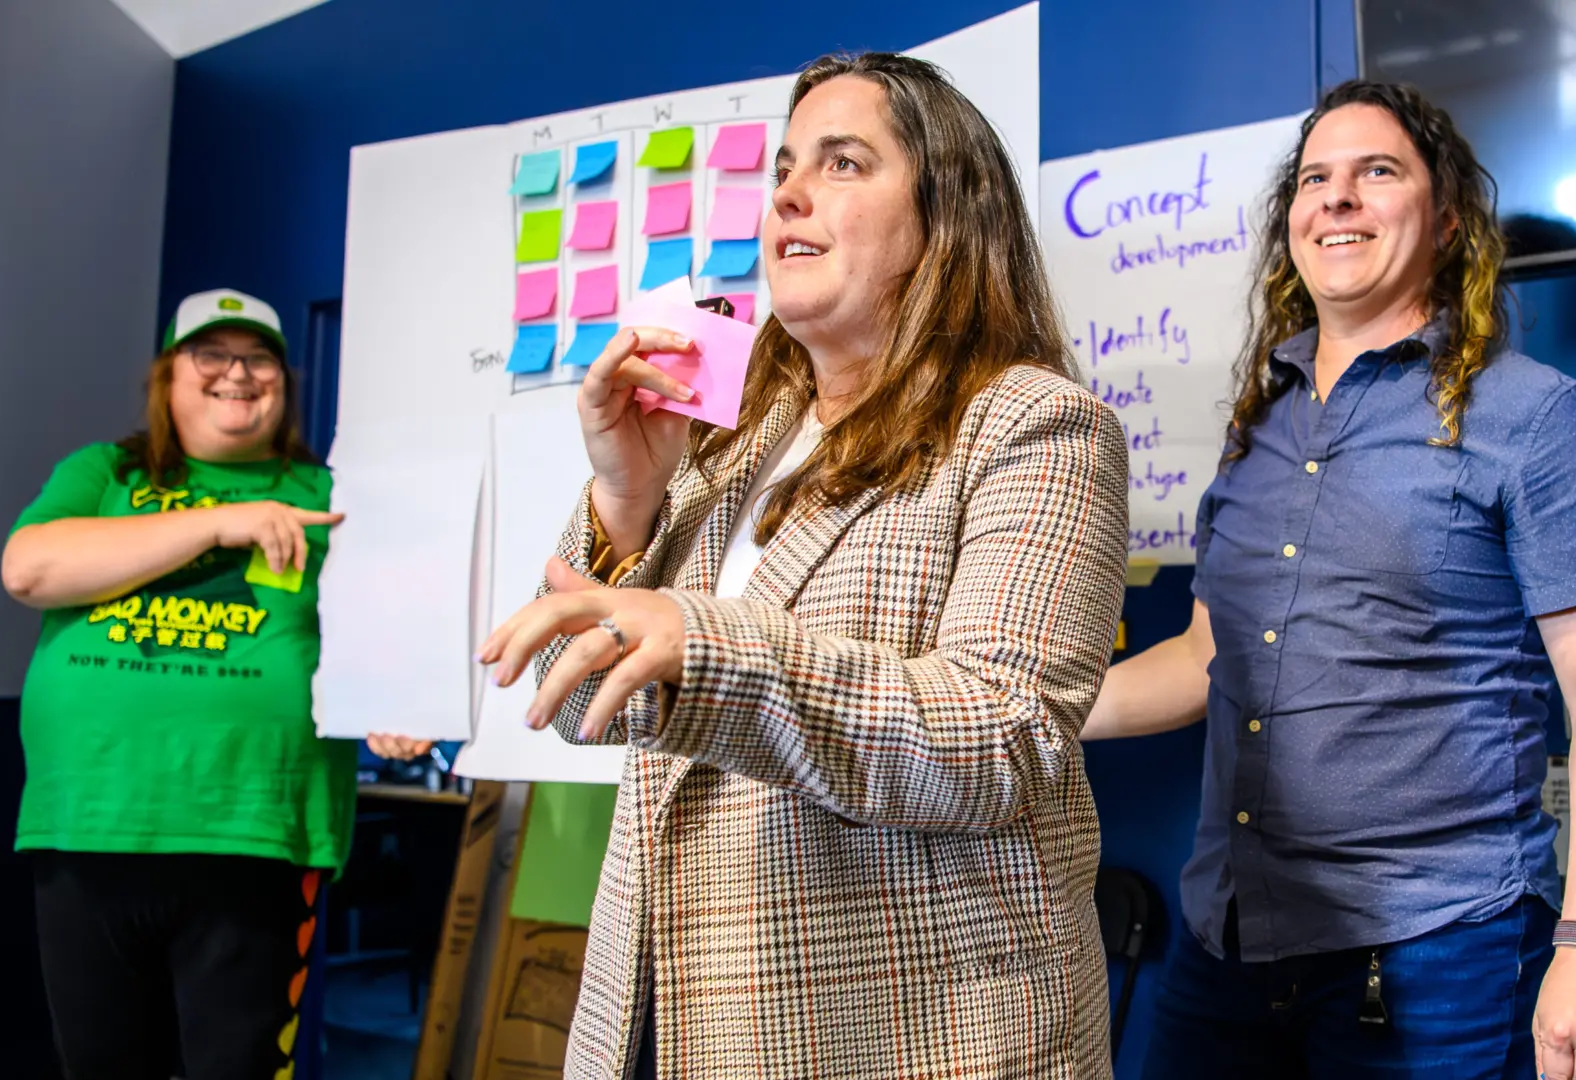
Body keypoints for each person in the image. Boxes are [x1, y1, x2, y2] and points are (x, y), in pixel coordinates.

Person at [474, 52, 1129, 1079]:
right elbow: (570, 699)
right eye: (784, 165)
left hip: (903, 1035)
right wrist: (625, 495)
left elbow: (1003, 737)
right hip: (661, 1011)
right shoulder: (733, 433)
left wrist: (707, 644)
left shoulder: (1037, 423)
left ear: (946, 213)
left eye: (842, 162)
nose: (786, 191)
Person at [1083, 81, 1576, 1080]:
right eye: (1315, 179)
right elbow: (1202, 657)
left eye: (1375, 172)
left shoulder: (1532, 415)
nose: (1336, 198)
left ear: (1443, 221)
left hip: (1435, 954)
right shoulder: (1257, 428)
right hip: (1226, 940)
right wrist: (1016, 701)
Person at [3, 289, 350, 1080]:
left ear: (283, 382)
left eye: (259, 356)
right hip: (87, 819)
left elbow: (385, 623)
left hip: (256, 827)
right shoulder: (105, 473)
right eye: (212, 354)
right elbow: (28, 570)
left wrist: (401, 708)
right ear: (168, 378)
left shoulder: (325, 490)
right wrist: (217, 523)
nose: (238, 372)